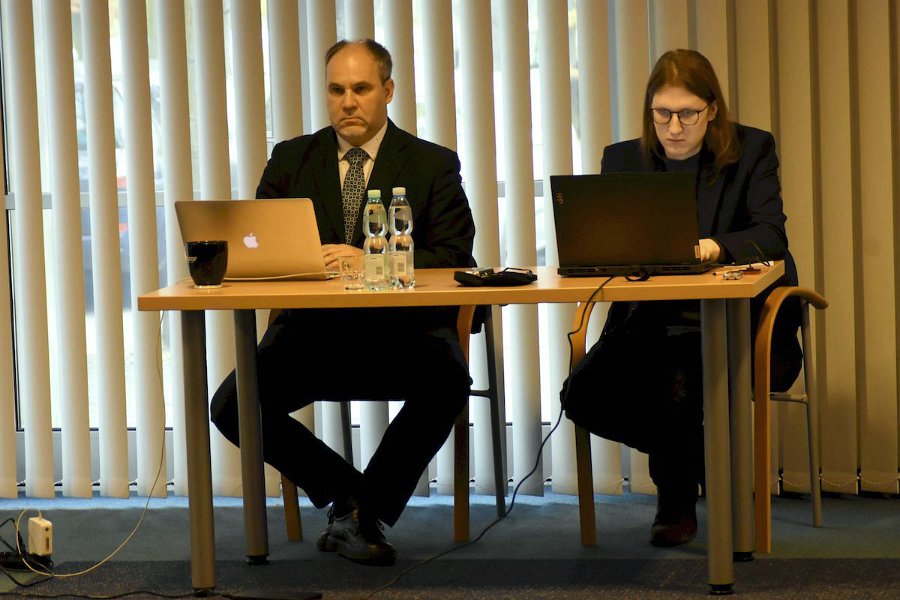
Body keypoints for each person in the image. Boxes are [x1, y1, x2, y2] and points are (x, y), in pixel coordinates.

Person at [210, 39, 477, 567]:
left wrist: (371, 258)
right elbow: (262, 250)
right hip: (310, 335)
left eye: (361, 88)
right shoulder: (292, 159)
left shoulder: (431, 164)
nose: (348, 102)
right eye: (336, 90)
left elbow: (453, 257)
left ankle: (359, 512)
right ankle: (353, 501)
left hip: (405, 335)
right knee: (230, 405)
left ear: (388, 91)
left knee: (449, 381)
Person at [560, 49, 802, 548]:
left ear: (711, 110)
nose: (673, 127)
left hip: (736, 318)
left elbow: (770, 234)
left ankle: (675, 502)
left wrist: (716, 247)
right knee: (581, 396)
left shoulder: (751, 150)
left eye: (687, 113)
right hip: (648, 319)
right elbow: (610, 242)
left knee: (677, 379)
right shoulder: (624, 159)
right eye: (662, 113)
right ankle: (705, 466)